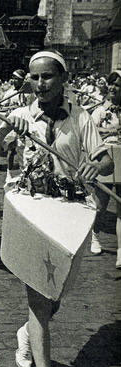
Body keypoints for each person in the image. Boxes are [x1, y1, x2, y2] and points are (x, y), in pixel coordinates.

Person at [0, 50, 112, 367]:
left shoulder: (80, 117)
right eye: (34, 78)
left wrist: (94, 168)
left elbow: (104, 158)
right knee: (39, 299)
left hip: (70, 212)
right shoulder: (21, 114)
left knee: (56, 295)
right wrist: (6, 128)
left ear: (63, 79)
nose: (40, 84)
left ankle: (26, 333)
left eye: (47, 77)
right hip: (31, 210)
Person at [90, 70, 121, 262]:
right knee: (101, 205)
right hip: (106, 158)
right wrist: (110, 129)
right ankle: (94, 235)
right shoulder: (100, 110)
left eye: (117, 85)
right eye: (111, 84)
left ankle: (120, 250)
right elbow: (91, 134)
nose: (113, 88)